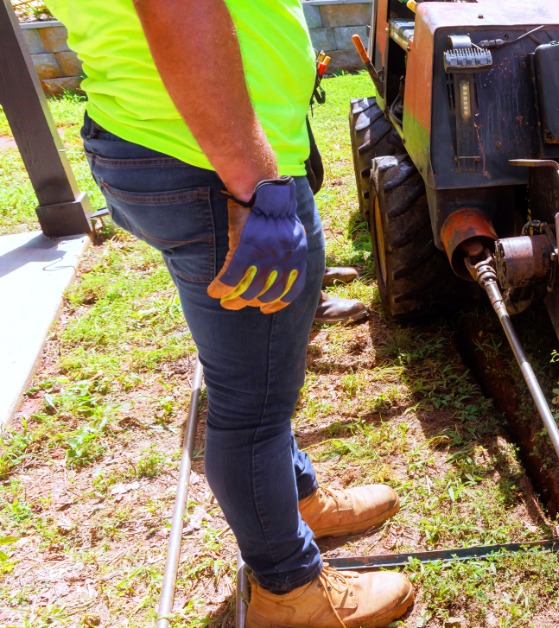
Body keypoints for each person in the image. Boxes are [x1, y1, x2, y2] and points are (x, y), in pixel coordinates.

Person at [46, 0, 414, 625]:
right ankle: (289, 590)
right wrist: (257, 188)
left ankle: (297, 500)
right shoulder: (241, 180)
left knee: (260, 373)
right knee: (253, 407)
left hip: (175, 143)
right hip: (216, 165)